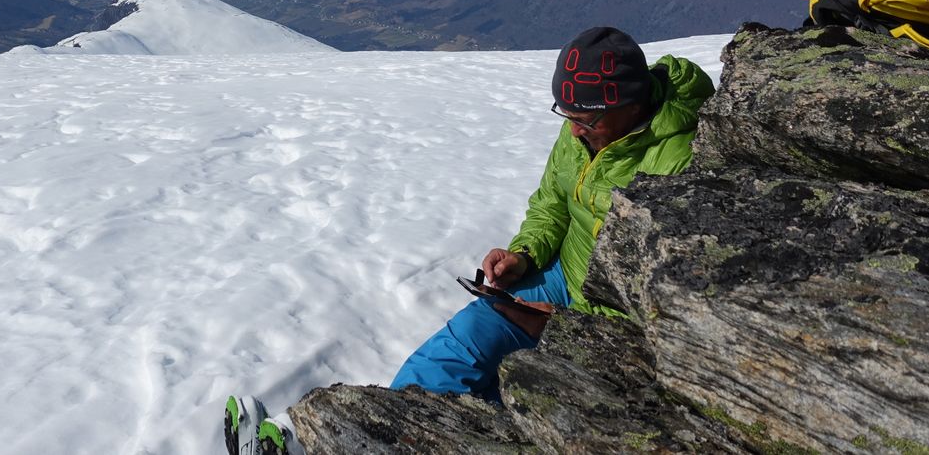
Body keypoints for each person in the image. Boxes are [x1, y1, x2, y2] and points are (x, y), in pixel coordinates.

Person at [224, 27, 715, 455]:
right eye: (566, 115)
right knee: (465, 341)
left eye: (585, 120)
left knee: (523, 393)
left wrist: (566, 324)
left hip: (610, 317)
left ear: (631, 104)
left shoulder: (678, 161)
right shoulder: (585, 130)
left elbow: (663, 300)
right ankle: (359, 434)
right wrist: (524, 256)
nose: (573, 129)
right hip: (564, 278)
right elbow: (552, 205)